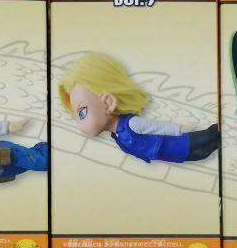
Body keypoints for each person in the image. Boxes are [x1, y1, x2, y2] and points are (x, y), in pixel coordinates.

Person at [58, 52, 218, 165]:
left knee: (204, 138)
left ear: (108, 102)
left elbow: (156, 127)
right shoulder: (117, 135)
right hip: (168, 154)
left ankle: (219, 132)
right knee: (201, 153)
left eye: (82, 113)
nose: (80, 125)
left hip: (175, 144)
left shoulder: (131, 124)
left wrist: (179, 129)